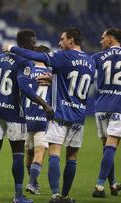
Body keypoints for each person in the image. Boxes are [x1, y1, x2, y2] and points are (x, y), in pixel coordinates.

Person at [3, 27, 96, 203]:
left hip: (60, 114)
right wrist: (53, 80)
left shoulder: (63, 56)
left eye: (62, 39)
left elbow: (37, 56)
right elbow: (75, 82)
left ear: (71, 40)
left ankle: (55, 196)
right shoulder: (91, 61)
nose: (60, 43)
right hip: (79, 117)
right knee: (72, 157)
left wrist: (11, 48)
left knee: (54, 153)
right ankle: (66, 196)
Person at [0, 30, 53, 203]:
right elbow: (24, 86)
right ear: (25, 43)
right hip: (14, 112)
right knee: (18, 154)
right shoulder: (25, 61)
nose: (35, 45)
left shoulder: (1, 58)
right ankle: (18, 196)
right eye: (33, 42)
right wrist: (44, 104)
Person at [92, 28, 121, 198]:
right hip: (119, 106)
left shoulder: (96, 57)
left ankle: (113, 184)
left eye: (103, 38)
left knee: (107, 148)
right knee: (111, 146)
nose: (100, 41)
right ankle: (100, 186)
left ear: (110, 39)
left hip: (101, 106)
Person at [24, 45, 51, 195]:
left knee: (28, 153)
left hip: (26, 119)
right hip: (42, 118)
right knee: (39, 152)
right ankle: (32, 183)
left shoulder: (27, 71)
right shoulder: (50, 74)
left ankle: (32, 182)